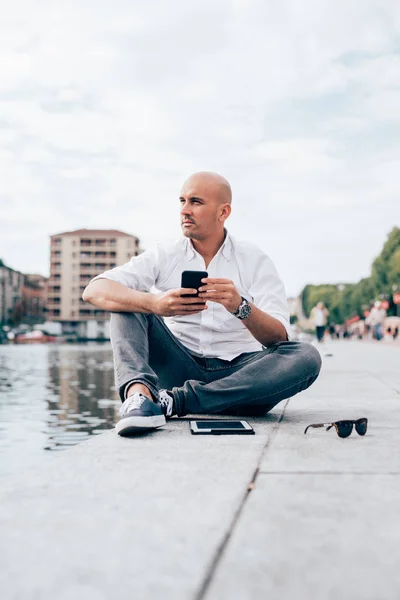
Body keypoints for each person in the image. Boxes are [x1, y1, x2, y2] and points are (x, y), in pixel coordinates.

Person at [82, 171, 322, 435]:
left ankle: (174, 402)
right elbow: (94, 290)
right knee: (128, 301)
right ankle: (139, 399)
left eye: (195, 202)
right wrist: (155, 303)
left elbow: (279, 338)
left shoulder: (254, 259)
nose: (185, 210)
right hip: (180, 367)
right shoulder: (166, 254)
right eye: (182, 201)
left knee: (306, 357)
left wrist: (241, 307)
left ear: (223, 212)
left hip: (240, 375)